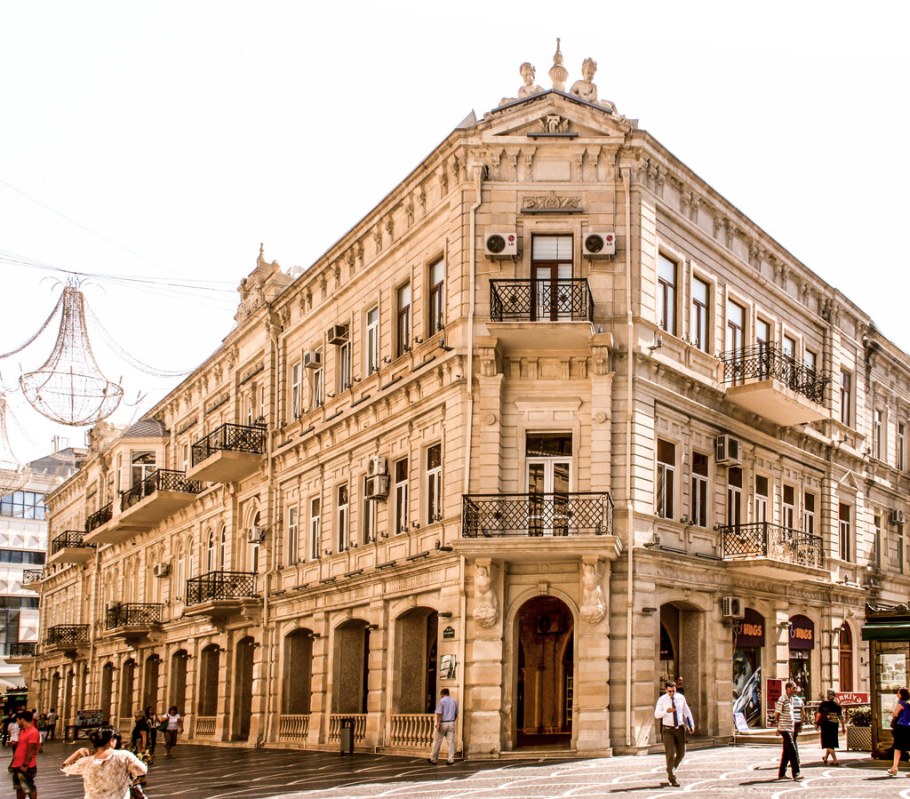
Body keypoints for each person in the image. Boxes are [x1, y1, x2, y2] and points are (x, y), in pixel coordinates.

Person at [61, 725, 147, 799]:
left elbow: (64, 767)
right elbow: (142, 770)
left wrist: (78, 752)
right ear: (111, 740)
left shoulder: (86, 761)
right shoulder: (124, 756)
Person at [653, 679, 694, 787]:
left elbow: (686, 711)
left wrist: (691, 725)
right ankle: (672, 778)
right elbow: (656, 715)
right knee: (670, 754)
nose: (671, 693)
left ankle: (670, 768)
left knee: (681, 754)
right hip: (668, 730)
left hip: (680, 729)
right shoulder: (662, 700)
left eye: (673, 691)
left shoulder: (680, 698)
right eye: (669, 691)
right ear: (666, 690)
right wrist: (666, 711)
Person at [774, 680, 803, 781]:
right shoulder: (782, 699)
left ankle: (781, 773)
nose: (795, 690)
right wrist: (778, 727)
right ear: (788, 689)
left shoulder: (791, 699)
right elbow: (776, 714)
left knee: (786, 752)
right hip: (784, 728)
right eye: (794, 688)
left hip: (790, 728)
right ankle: (796, 773)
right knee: (792, 749)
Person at [9, 710, 40, 799]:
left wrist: (25, 765)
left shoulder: (33, 732)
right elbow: (23, 746)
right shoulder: (23, 731)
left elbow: (31, 750)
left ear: (22, 719)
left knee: (29, 788)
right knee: (19, 788)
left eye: (17, 720)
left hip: (26, 766)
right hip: (17, 764)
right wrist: (16, 743)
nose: (17, 722)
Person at [428, 688, 458, 765]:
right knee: (451, 742)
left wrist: (438, 724)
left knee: (437, 741)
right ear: (448, 693)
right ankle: (451, 759)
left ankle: (434, 759)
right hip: (451, 723)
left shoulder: (441, 701)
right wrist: (452, 720)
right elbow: (456, 713)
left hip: (443, 723)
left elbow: (439, 713)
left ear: (442, 694)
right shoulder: (454, 701)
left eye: (440, 694)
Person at [815, 689, 845, 765]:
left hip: (825, 725)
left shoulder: (824, 704)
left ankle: (835, 760)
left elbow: (819, 714)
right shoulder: (837, 705)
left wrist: (817, 723)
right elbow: (841, 717)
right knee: (831, 742)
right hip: (834, 725)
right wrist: (843, 727)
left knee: (828, 743)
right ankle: (825, 757)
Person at [887, 686, 910, 776]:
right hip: (909, 727)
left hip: (901, 727)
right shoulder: (909, 703)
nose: (897, 694)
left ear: (901, 695)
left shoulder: (901, 703)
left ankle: (894, 768)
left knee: (898, 748)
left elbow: (895, 714)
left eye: (898, 693)